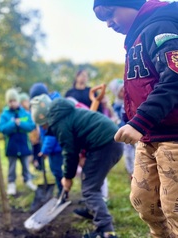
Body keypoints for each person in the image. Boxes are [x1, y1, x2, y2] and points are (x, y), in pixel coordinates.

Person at [94, 0, 178, 236]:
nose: (109, 24)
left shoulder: (161, 27)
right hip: (149, 136)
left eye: (110, 15)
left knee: (174, 207)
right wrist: (129, 116)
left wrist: (139, 122)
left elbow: (174, 79)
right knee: (143, 200)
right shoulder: (135, 40)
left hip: (173, 135)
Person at [30, 94, 123, 238]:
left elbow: (69, 152)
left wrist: (67, 177)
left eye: (43, 125)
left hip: (105, 144)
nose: (44, 128)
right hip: (108, 142)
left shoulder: (59, 123)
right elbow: (80, 137)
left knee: (90, 189)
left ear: (46, 119)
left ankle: (106, 231)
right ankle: (92, 210)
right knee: (90, 181)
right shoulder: (66, 114)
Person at [0, 88, 37, 195]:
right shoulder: (5, 114)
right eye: (10, 101)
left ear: (18, 100)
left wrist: (20, 124)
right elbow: (2, 128)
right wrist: (13, 124)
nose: (12, 103)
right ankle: (11, 184)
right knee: (12, 166)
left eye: (14, 100)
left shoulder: (24, 113)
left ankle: (28, 180)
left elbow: (31, 126)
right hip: (11, 146)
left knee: (26, 165)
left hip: (24, 144)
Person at [29, 82, 64, 197]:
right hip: (52, 146)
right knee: (55, 170)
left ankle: (63, 191)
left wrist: (45, 150)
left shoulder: (49, 110)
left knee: (57, 170)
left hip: (56, 146)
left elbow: (51, 134)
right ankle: (62, 191)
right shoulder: (44, 109)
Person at [108, 79, 135, 178]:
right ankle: (131, 173)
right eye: (120, 90)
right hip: (124, 133)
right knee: (128, 155)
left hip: (135, 130)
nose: (123, 91)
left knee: (137, 154)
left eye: (124, 89)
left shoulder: (131, 101)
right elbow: (117, 120)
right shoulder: (115, 106)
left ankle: (137, 172)